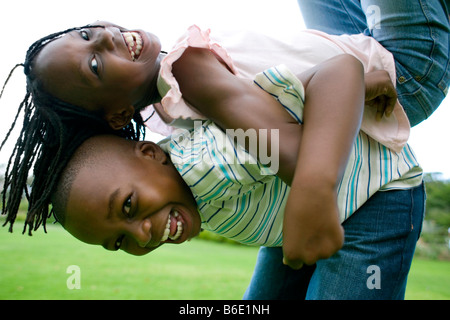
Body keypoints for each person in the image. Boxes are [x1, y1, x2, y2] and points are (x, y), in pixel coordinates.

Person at [0, 21, 408, 267]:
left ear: (148, 153)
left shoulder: (197, 135)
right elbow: (270, 125)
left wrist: (312, 191)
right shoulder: (174, 121)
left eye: (88, 38)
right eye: (120, 243)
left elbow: (296, 128)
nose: (140, 236)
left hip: (403, 76)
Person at [244, 0, 449, 300]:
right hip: (339, 173)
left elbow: (340, 73)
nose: (147, 231)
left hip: (375, 177)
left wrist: (313, 188)